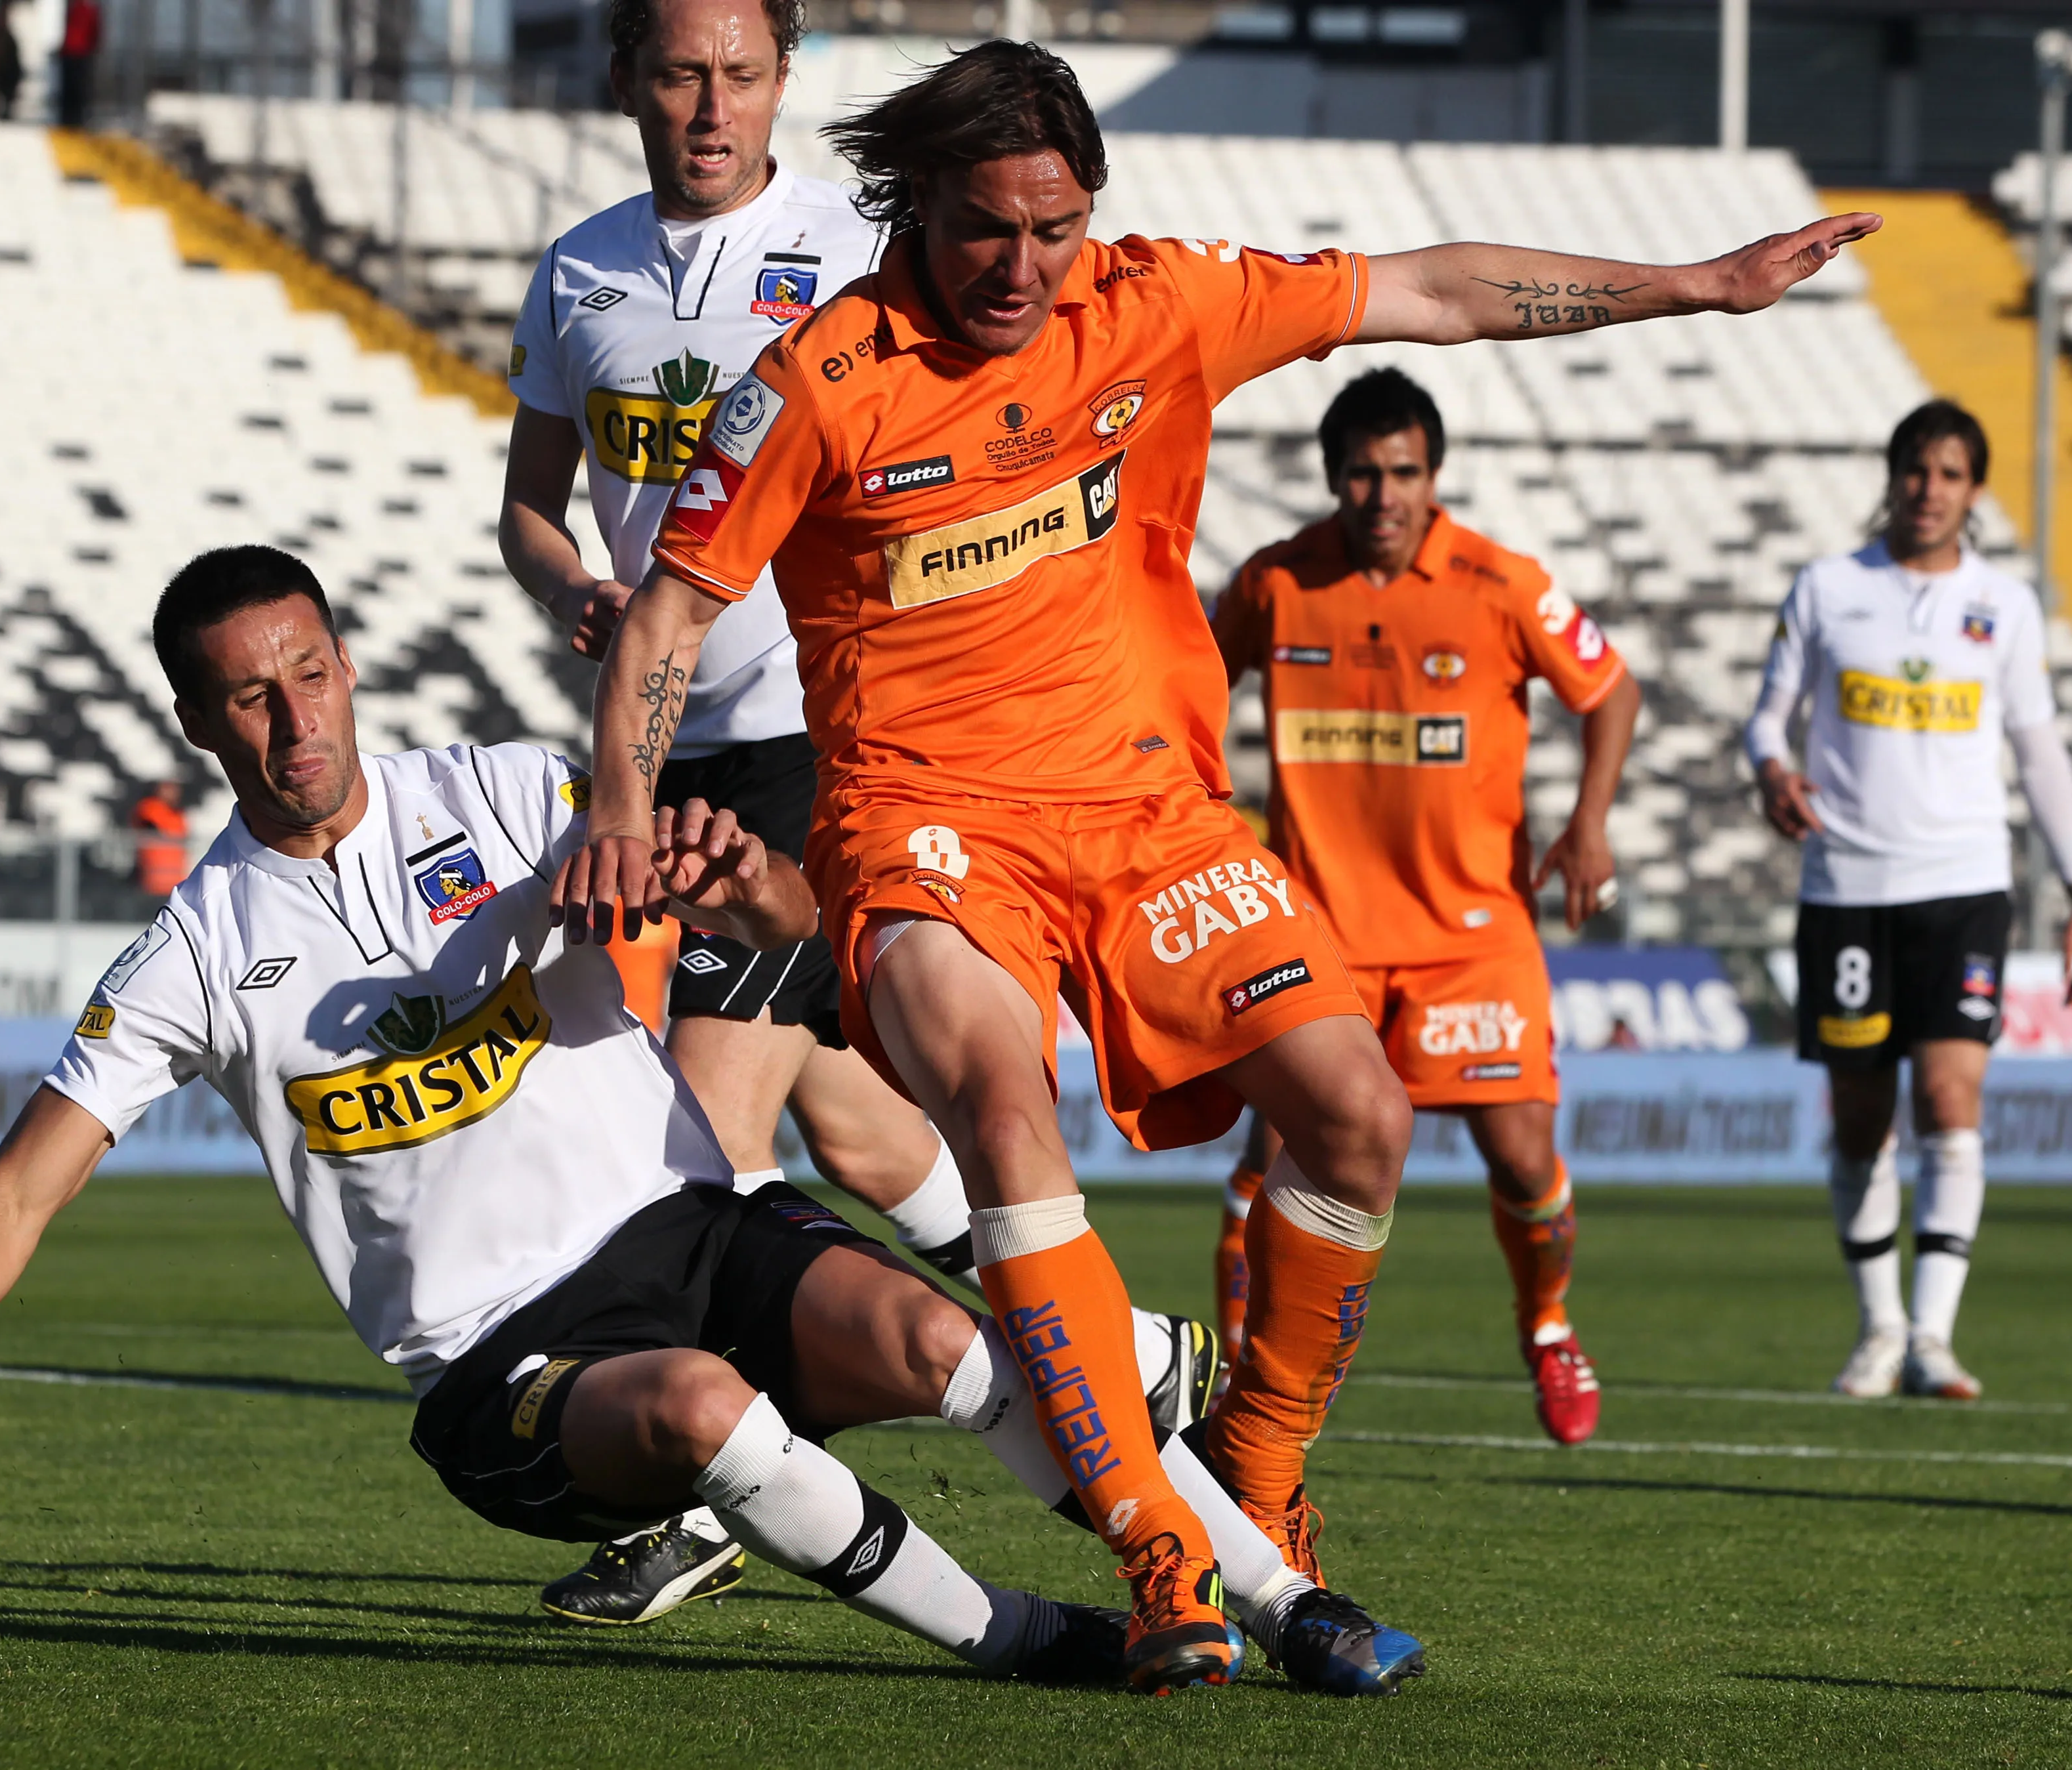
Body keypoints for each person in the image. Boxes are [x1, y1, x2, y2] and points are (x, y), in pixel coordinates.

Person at [573, 39, 1874, 1692]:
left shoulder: (1151, 306)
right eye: (986, 230)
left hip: (1145, 816)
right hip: (928, 827)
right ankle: (1159, 1549)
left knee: (1360, 1110)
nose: (1023, 268)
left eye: (1055, 228)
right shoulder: (821, 379)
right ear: (918, 212)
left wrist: (1695, 286)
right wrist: (622, 801)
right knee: (999, 1101)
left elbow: (1433, 292)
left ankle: (1255, 1474)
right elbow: (670, 615)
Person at [0, 545, 1377, 1693]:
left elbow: (789, 928)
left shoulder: (511, 795)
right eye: (248, 701)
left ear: (346, 660)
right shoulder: (191, 950)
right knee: (697, 1410)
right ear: (201, 727)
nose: (294, 719)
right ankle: (1036, 1644)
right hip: (499, 1358)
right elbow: (34, 1176)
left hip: (691, 1228)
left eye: (309, 672)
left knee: (950, 1346)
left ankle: (1282, 1600)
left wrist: (743, 892)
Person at [495, 0, 1212, 1628]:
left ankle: (709, 1497)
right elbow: (530, 509)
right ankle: (1133, 1352)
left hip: (824, 742)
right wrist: (585, 595)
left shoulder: (853, 258)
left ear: (781, 84)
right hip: (659, 740)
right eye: (678, 72)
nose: (708, 104)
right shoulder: (581, 272)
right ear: (627, 82)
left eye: (740, 73)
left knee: (689, 1136)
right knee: (851, 1123)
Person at [1208, 368, 1640, 1448]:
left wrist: (1588, 822)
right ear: (1333, 479)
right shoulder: (1274, 583)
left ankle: (1545, 1322)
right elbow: (1190, 679)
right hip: (1321, 939)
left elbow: (1611, 689)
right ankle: (1237, 1386)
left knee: (1523, 1156)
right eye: (1362, 472)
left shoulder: (1500, 582)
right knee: (1267, 1164)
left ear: (1433, 477)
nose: (1383, 494)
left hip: (1470, 938)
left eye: (1403, 471)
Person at [1744, 399, 2072, 1401]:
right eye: (1915, 469)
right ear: (1892, 475)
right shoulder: (1827, 588)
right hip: (1848, 885)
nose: (1929, 488)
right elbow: (1767, 719)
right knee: (1862, 1115)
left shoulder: (2005, 604)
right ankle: (1879, 1328)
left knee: (1951, 1096)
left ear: (1974, 491)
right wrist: (1772, 771)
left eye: (1950, 474)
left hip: (1964, 884)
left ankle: (1934, 1338)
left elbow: (2038, 751)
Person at [131, 776, 190, 897]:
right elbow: (148, 825)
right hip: (151, 880)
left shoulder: (178, 814)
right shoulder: (149, 808)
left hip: (176, 881)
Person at [55, 0, 100, 131]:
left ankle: (73, 119)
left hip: (79, 54)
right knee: (72, 90)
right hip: (73, 53)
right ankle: (70, 119)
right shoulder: (76, 8)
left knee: (76, 90)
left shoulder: (85, 9)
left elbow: (94, 32)